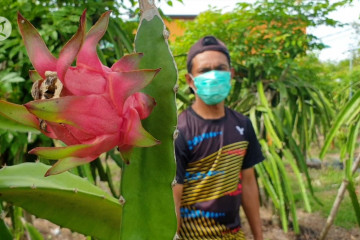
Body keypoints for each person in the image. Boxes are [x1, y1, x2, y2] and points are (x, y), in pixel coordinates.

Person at [173, 36, 264, 240]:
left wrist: (259, 236)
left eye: (220, 69)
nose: (214, 75)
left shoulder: (243, 125)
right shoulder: (180, 131)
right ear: (190, 80)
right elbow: (174, 199)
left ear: (230, 74)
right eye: (204, 71)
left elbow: (249, 184)